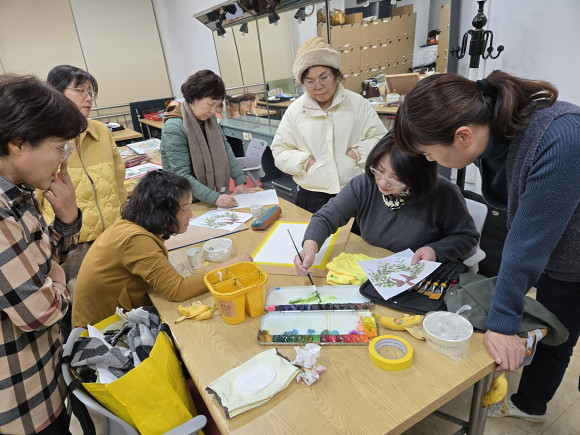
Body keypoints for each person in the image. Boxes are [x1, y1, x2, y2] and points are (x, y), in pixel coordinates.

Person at [393, 70, 580, 423]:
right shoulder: (490, 131)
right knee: (549, 320)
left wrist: (504, 322)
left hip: (573, 257)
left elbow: (527, 243)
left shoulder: (561, 139)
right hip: (558, 247)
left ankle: (530, 406)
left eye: (430, 154)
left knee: (560, 331)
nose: (430, 161)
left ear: (462, 136)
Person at [0, 73, 86, 434]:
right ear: (18, 143)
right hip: (21, 402)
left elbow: (46, 260)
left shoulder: (19, 190)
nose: (63, 160)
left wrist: (67, 219)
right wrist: (59, 282)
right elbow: (41, 311)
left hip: (44, 377)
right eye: (59, 147)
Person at [72, 170, 252, 328]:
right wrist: (229, 268)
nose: (191, 215)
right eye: (185, 207)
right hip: (102, 332)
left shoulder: (135, 225)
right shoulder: (136, 240)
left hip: (115, 318)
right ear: (163, 212)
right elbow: (178, 291)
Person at [294, 132, 479, 275]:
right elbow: (326, 217)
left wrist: (435, 250)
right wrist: (310, 248)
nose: (383, 182)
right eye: (379, 170)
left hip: (417, 274)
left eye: (396, 178)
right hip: (373, 267)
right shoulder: (365, 184)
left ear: (418, 177)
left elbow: (467, 237)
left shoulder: (443, 193)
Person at [271, 37, 387, 214]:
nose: (318, 86)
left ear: (335, 75)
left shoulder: (357, 104)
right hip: (312, 194)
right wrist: (306, 163)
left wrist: (357, 153)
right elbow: (279, 150)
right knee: (314, 232)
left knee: (358, 232)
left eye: (324, 77)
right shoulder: (296, 111)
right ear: (302, 82)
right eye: (310, 81)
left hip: (354, 190)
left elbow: (381, 139)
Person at [40, 65, 127, 284]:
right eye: (80, 90)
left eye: (90, 92)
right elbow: (36, 201)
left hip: (113, 237)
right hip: (73, 247)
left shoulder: (101, 132)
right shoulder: (44, 140)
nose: (88, 98)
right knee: (81, 299)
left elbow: (119, 184)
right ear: (56, 93)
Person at [161, 70, 257, 208]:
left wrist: (239, 181)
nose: (213, 111)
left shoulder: (208, 120)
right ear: (193, 98)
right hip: (183, 199)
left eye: (216, 105)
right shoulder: (174, 127)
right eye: (210, 104)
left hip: (206, 196)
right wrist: (215, 198)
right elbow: (181, 175)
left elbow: (225, 149)